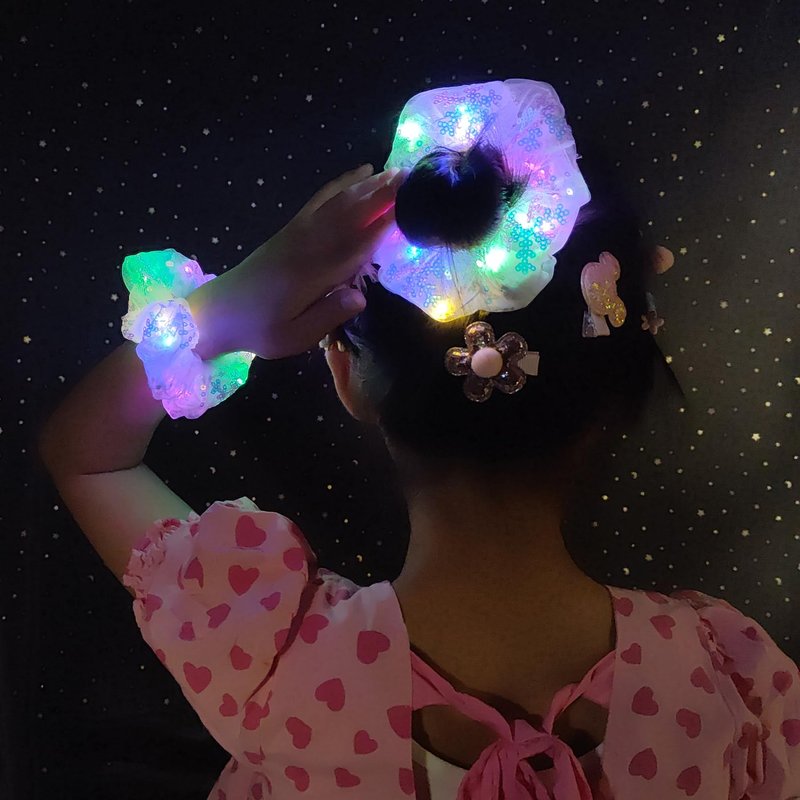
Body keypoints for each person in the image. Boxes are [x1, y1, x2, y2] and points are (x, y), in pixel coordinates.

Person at [38, 79, 800, 800]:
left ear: (347, 375)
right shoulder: (732, 679)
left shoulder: (266, 652)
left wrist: (229, 306)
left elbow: (87, 458)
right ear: (618, 389)